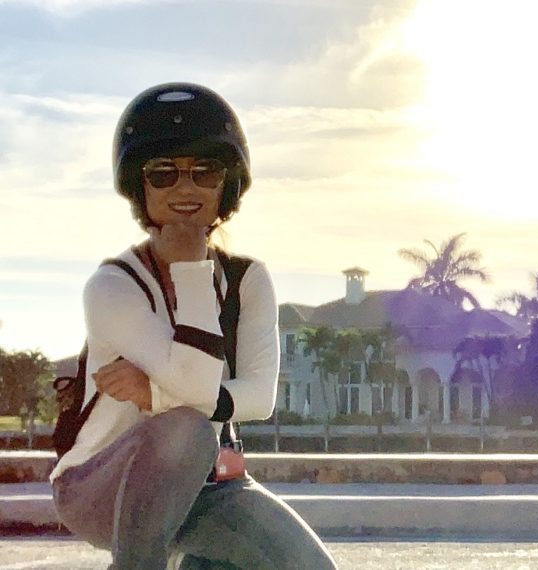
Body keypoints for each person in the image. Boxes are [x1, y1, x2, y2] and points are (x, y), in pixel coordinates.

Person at [49, 82, 337, 569]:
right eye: (163, 173)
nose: (185, 188)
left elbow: (259, 397)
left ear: (228, 184)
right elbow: (197, 389)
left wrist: (153, 394)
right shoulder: (113, 286)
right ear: (139, 187)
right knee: (185, 431)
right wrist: (192, 271)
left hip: (210, 484)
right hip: (98, 485)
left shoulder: (247, 280)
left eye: (206, 171)